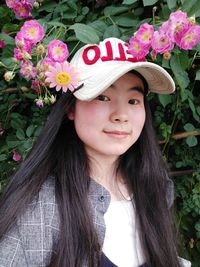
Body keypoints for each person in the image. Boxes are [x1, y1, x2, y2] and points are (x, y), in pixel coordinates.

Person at [0, 38, 191, 267]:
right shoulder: (39, 208)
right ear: (71, 107)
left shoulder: (155, 187)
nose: (121, 115)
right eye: (103, 97)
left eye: (133, 100)